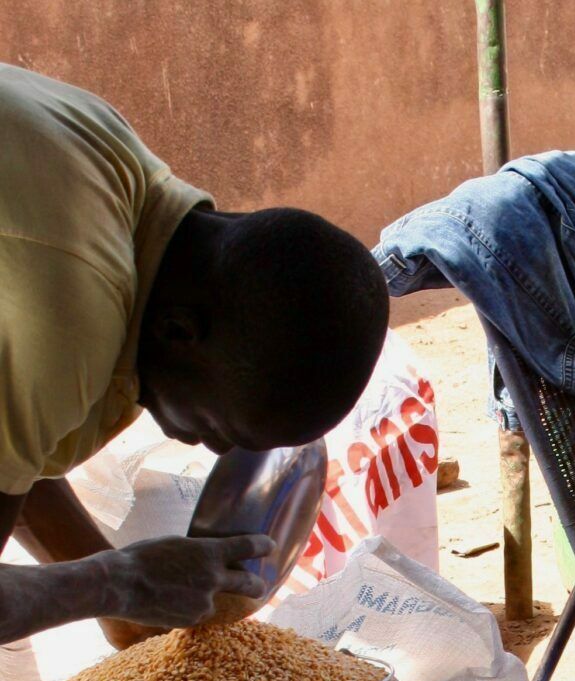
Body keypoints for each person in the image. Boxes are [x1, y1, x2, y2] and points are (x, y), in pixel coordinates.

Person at [0, 64, 389, 649]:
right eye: (213, 429)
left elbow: (13, 449)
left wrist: (119, 605)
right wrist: (114, 583)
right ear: (182, 331)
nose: (198, 445)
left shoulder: (107, 161)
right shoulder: (70, 311)